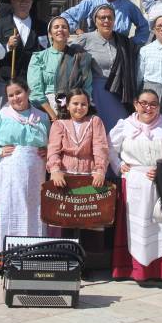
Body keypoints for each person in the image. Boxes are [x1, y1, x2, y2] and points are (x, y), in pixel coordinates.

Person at [0, 79, 50, 266]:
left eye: (19, 92)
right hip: (10, 170)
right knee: (9, 208)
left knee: (34, 210)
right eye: (11, 95)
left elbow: (51, 140)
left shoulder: (42, 117)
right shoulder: (0, 116)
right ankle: (5, 257)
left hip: (35, 172)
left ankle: (33, 255)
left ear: (28, 92)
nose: (16, 98)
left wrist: (47, 150)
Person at [109, 89, 162, 281]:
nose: (148, 108)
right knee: (135, 228)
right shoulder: (125, 126)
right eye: (144, 103)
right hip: (133, 181)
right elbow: (108, 147)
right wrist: (119, 166)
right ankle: (134, 270)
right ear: (135, 104)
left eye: (153, 104)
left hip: (161, 184)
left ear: (159, 106)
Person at [45, 89, 109, 255]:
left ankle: (84, 263)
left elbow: (100, 147)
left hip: (88, 177)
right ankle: (62, 259)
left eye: (83, 104)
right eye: (75, 103)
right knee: (63, 217)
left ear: (88, 106)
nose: (79, 107)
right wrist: (55, 170)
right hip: (65, 178)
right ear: (67, 105)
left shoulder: (95, 122)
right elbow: (53, 149)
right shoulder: (59, 124)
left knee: (86, 218)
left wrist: (100, 170)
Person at [74, 4, 138, 131]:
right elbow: (69, 57)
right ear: (95, 20)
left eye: (110, 18)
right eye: (102, 18)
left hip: (120, 92)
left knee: (120, 129)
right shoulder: (85, 39)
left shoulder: (123, 41)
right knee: (99, 129)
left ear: (114, 20)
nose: (106, 21)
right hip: (96, 92)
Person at [27, 16, 93, 121]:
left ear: (68, 32)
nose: (60, 30)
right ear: (49, 33)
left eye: (64, 27)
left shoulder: (79, 57)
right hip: (46, 110)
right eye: (56, 27)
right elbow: (35, 92)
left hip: (75, 110)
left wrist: (77, 109)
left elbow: (87, 86)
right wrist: (52, 115)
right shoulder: (39, 57)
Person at [0, 0, 49, 82]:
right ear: (12, 1)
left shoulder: (42, 26)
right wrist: (7, 46)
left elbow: (47, 52)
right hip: (7, 82)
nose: (23, 2)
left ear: (32, 2)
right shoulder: (0, 25)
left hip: (34, 83)